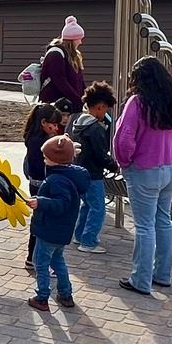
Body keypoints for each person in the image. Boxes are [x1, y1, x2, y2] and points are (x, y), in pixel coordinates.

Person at [114, 58, 172, 298]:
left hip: (145, 169)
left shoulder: (138, 103)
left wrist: (124, 161)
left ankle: (141, 279)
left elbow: (124, 137)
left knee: (145, 226)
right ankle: (163, 274)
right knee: (164, 220)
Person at [28, 135, 88, 311]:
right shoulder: (69, 175)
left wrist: (41, 202)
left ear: (55, 160)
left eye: (46, 157)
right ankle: (65, 294)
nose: (44, 160)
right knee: (58, 261)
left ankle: (42, 297)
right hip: (61, 231)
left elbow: (61, 203)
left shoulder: (57, 180)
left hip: (49, 229)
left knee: (41, 262)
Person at [68, 82, 117, 254]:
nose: (106, 114)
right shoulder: (95, 128)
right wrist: (113, 165)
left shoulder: (79, 122)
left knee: (87, 205)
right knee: (98, 208)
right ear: (100, 107)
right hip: (93, 173)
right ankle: (88, 241)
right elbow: (100, 154)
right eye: (105, 110)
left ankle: (79, 235)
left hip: (80, 170)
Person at [20, 102, 68, 270]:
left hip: (37, 184)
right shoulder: (38, 142)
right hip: (41, 186)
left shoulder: (35, 138)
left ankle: (32, 258)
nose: (56, 128)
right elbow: (41, 166)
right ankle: (36, 259)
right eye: (53, 125)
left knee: (40, 222)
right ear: (43, 123)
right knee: (42, 224)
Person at [38, 16, 88, 114]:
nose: (80, 42)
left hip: (71, 104)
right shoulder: (55, 55)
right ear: (72, 40)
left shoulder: (73, 56)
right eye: (79, 39)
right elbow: (60, 82)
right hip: (58, 106)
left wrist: (85, 97)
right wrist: (77, 99)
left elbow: (80, 81)